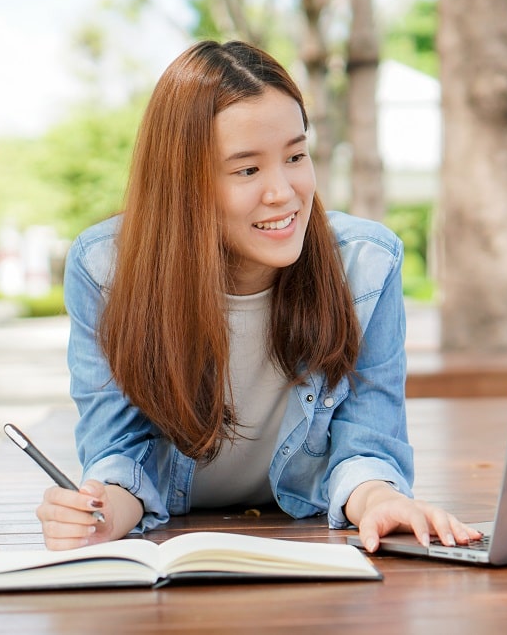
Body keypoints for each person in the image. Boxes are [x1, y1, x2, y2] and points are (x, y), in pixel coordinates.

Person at [37, 39, 482, 553]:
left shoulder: (366, 264)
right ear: (184, 185)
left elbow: (367, 444)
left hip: (305, 543)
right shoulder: (106, 270)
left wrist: (381, 501)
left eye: (295, 155)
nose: (283, 191)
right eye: (247, 170)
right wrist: (96, 515)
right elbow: (119, 452)